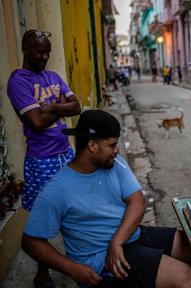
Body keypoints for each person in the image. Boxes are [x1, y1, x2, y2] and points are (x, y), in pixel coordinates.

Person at [22, 110, 191, 288]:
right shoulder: (56, 190)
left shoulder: (114, 163)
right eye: (112, 145)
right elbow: (30, 241)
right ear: (92, 145)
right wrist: (73, 269)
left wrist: (117, 241)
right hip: (101, 259)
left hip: (128, 235)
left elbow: (137, 201)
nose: (117, 150)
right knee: (187, 278)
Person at [7, 29, 81, 288]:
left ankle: (79, 260)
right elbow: (37, 121)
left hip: (65, 153)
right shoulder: (18, 81)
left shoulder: (52, 75)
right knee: (42, 219)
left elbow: (77, 107)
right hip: (41, 159)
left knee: (74, 207)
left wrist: (53, 107)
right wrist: (59, 106)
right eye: (40, 51)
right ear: (26, 49)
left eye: (48, 51)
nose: (45, 56)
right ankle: (42, 272)